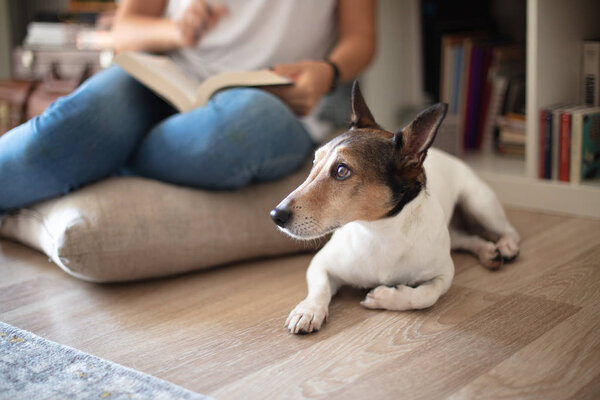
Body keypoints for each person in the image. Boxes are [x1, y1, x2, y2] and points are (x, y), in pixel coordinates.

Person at [0, 0, 376, 219]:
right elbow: (122, 29)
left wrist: (328, 73)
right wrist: (176, 31)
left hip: (271, 101)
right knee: (61, 132)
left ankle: (104, 156)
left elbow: (361, 38)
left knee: (236, 133)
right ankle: (101, 152)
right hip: (163, 78)